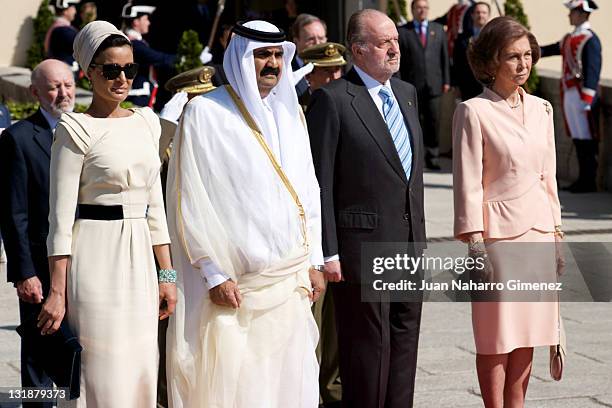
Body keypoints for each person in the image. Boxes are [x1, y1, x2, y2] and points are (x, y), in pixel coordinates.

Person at [165, 20, 325, 408]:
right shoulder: (205, 112)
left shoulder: (292, 113)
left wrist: (315, 260)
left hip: (289, 282)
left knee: (289, 386)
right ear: (239, 57)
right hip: (235, 289)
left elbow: (308, 193)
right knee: (240, 392)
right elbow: (191, 201)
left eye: (277, 55)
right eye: (261, 55)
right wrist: (213, 273)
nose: (271, 64)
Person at [38, 21, 177, 406]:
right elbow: (60, 220)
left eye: (129, 69)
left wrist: (167, 277)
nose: (121, 78)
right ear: (89, 72)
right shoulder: (75, 128)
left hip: (141, 266)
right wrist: (57, 291)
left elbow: (156, 213)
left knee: (141, 367)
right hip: (95, 259)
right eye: (110, 69)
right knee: (102, 370)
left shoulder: (147, 123)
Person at [307, 9, 426, 407]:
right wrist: (328, 252)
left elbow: (410, 177)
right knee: (368, 358)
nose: (394, 48)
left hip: (409, 248)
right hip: (361, 252)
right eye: (382, 43)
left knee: (404, 351)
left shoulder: (407, 93)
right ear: (358, 50)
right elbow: (319, 181)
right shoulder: (333, 99)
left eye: (394, 40)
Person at [453, 16, 564, 408]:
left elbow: (547, 176)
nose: (523, 64)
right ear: (490, 62)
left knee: (529, 333)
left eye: (527, 55)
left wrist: (556, 235)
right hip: (496, 240)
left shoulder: (543, 109)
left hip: (537, 236)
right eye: (512, 57)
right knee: (496, 336)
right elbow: (466, 182)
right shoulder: (473, 111)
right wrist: (475, 245)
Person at [0, 59, 75, 408]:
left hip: (85, 259)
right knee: (39, 355)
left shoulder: (85, 130)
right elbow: (13, 213)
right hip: (40, 269)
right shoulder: (18, 139)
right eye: (53, 87)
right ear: (34, 92)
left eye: (68, 84)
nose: (63, 93)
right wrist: (23, 273)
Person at [541, 0, 602, 193]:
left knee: (586, 138)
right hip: (569, 92)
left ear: (582, 14)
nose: (569, 16)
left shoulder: (589, 39)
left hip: (581, 94)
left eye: (573, 12)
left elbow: (592, 69)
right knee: (577, 137)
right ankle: (582, 178)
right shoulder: (570, 37)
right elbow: (552, 49)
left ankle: (589, 180)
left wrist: (588, 97)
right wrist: (531, 50)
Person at [398, 0, 450, 170]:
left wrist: (446, 81)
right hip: (410, 86)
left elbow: (444, 58)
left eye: (425, 8)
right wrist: (398, 84)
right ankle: (415, 158)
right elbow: (400, 62)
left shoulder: (438, 30)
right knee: (413, 123)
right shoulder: (403, 32)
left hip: (435, 85)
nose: (422, 11)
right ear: (412, 10)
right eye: (418, 8)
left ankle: (433, 157)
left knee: (433, 123)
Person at [121, 3, 177, 107]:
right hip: (137, 96)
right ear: (136, 22)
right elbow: (160, 58)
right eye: (146, 19)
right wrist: (187, 58)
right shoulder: (134, 44)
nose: (148, 23)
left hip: (140, 95)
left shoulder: (133, 41)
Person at [452, 1, 491, 101]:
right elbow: (457, 63)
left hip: (490, 85)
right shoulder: (462, 38)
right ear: (472, 15)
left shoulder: (495, 37)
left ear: (488, 15)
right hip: (467, 86)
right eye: (477, 12)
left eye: (483, 12)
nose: (480, 15)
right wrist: (456, 86)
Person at [298, 42, 346, 109]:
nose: (334, 77)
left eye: (337, 69)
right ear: (308, 75)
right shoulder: (297, 109)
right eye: (326, 70)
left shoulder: (348, 104)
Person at [291, 14, 327, 98]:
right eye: (311, 39)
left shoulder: (334, 71)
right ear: (296, 41)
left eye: (321, 38)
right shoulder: (286, 72)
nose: (317, 44)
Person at [45, 0, 81, 75]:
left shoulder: (58, 27)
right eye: (73, 7)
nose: (75, 11)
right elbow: (81, 46)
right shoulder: (63, 30)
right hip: (64, 74)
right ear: (65, 11)